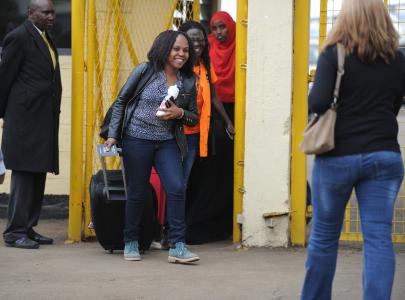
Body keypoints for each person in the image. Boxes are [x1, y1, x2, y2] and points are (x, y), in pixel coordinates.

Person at [301, 0, 405, 299]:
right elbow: (394, 102)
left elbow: (318, 103)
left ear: (346, 16)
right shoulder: (397, 60)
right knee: (378, 239)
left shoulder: (334, 54)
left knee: (323, 237)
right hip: (385, 156)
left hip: (338, 157)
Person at [105, 30, 200, 264]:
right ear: (164, 49)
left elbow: (194, 117)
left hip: (167, 142)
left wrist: (180, 113)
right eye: (176, 49)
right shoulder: (145, 71)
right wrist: (113, 135)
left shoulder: (187, 80)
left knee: (177, 187)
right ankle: (131, 241)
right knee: (137, 191)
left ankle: (177, 246)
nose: (182, 54)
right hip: (136, 139)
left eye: (186, 50)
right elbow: (121, 101)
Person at [0, 0, 61, 249]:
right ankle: (14, 232)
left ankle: (28, 227)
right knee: (25, 175)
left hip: (42, 119)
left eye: (53, 12)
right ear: (30, 13)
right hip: (25, 120)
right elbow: (5, 78)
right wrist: (5, 116)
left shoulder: (44, 36)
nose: (51, 17)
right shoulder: (19, 37)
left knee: (38, 173)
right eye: (45, 12)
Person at [178, 21, 234, 190]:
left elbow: (214, 96)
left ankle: (178, 216)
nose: (197, 43)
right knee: (176, 181)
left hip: (195, 133)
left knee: (185, 179)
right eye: (192, 39)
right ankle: (168, 216)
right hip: (176, 135)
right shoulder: (177, 67)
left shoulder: (205, 66)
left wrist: (228, 122)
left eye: (201, 39)